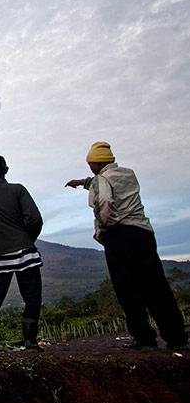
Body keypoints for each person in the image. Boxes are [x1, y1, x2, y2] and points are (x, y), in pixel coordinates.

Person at [65, 142, 188, 350]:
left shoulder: (101, 180)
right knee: (156, 286)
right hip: (143, 233)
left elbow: (104, 199)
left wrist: (104, 230)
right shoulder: (128, 174)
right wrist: (82, 182)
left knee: (127, 288)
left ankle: (144, 338)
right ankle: (176, 337)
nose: (90, 168)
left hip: (120, 236)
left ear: (96, 163)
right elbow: (103, 181)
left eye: (90, 164)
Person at [0, 155, 44, 352]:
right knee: (32, 296)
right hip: (25, 254)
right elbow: (35, 219)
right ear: (6, 170)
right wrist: (26, 241)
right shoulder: (18, 190)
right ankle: (30, 342)